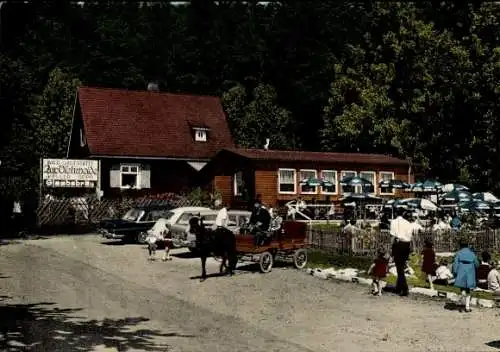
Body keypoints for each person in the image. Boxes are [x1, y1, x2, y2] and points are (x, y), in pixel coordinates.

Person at [390, 206, 414, 296]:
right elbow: (410, 237)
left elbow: (392, 236)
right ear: (403, 213)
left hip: (398, 244)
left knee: (399, 268)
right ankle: (398, 287)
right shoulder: (408, 223)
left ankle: (405, 288)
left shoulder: (394, 222)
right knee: (401, 266)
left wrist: (390, 248)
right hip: (407, 245)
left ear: (396, 213)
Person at [452, 239, 479, 312]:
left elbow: (455, 264)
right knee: (468, 290)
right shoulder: (472, 253)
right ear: (467, 245)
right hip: (470, 272)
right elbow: (476, 264)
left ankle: (462, 302)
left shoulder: (459, 253)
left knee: (462, 288)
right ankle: (467, 307)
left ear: (460, 245)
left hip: (461, 271)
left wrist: (455, 272)